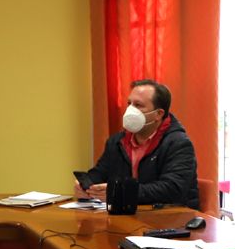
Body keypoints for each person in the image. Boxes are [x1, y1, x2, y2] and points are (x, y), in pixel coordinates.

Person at [73, 79, 198, 208]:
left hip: (171, 219)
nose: (130, 110)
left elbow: (172, 189)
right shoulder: (116, 142)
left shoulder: (179, 144)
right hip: (128, 215)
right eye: (129, 104)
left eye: (138, 105)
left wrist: (123, 193)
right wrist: (85, 186)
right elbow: (100, 173)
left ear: (158, 114)